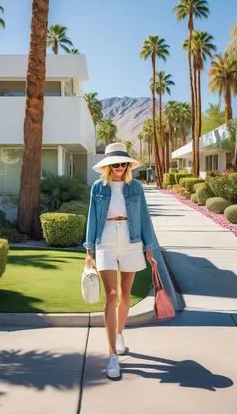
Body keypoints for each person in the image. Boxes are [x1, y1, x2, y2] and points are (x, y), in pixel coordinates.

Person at [84, 142, 157, 380]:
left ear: (128, 166)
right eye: (114, 163)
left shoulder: (136, 187)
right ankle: (113, 355)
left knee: (126, 293)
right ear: (107, 166)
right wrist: (89, 249)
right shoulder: (98, 187)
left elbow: (145, 216)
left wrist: (149, 247)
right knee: (112, 294)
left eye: (123, 163)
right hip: (105, 239)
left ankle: (119, 333)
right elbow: (92, 218)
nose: (119, 167)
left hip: (131, 239)